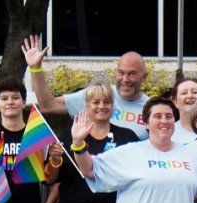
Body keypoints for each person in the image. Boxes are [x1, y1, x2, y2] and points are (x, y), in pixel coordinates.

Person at [22, 36, 150, 140]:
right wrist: (35, 68)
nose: (125, 79)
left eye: (132, 74)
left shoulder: (151, 108)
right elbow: (49, 106)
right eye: (121, 73)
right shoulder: (98, 94)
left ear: (144, 77)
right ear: (115, 72)